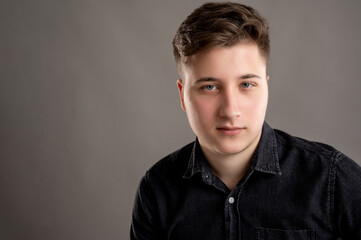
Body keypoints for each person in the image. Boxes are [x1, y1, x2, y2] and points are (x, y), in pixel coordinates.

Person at [130, 2, 361, 239]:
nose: (231, 110)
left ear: (266, 87)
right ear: (182, 95)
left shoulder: (334, 180)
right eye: (210, 87)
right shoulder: (157, 190)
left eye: (246, 85)